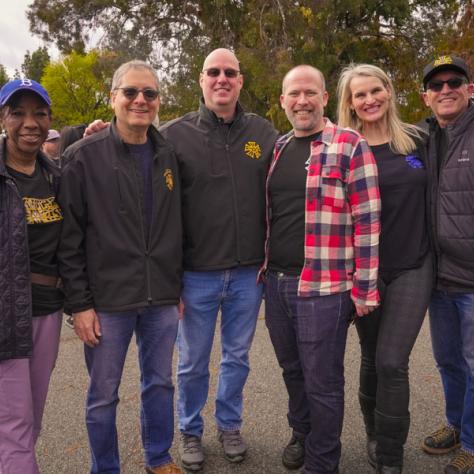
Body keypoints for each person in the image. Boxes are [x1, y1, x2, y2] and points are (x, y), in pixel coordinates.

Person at [57, 60, 183, 474]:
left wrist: (175, 286)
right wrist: (79, 305)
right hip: (106, 302)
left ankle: (159, 457)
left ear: (158, 101)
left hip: (160, 297)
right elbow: (69, 240)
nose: (140, 101)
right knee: (103, 394)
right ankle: (105, 468)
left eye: (149, 93)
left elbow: (176, 225)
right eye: (130, 92)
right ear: (113, 98)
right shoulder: (82, 157)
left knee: (160, 384)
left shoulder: (168, 154)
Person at [159, 48, 278, 471]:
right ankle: (190, 430)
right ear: (201, 78)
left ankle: (229, 424)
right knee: (191, 362)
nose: (222, 78)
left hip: (249, 274)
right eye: (214, 72)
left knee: (237, 358)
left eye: (230, 72)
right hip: (196, 275)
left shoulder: (264, 133)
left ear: (241, 81)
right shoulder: (172, 135)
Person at [259, 65, 381, 474]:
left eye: (310, 92)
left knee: (323, 381)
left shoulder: (349, 144)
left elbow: (368, 220)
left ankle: (323, 461)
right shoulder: (278, 149)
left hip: (325, 288)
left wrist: (364, 289)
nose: (302, 101)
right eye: (294, 94)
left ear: (325, 98)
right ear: (283, 101)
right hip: (275, 284)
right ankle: (303, 433)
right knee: (292, 371)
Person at [337, 64, 433, 473]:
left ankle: (391, 457)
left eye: (376, 90)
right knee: (372, 357)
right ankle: (374, 434)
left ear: (389, 91)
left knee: (393, 361)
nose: (369, 99)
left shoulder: (418, 141)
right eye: (360, 95)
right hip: (366, 271)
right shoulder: (344, 149)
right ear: (350, 104)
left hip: (414, 264)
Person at [0, 79, 64, 473]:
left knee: (32, 415)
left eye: (39, 113)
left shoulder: (56, 176)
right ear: (3, 118)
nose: (29, 122)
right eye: (17, 112)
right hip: (5, 314)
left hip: (47, 312)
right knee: (15, 422)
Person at [419, 55, 474, 474]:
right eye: (437, 85)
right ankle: (455, 424)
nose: (446, 90)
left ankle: (472, 443)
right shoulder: (423, 140)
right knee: (449, 361)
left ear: (469, 89)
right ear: (427, 96)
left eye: (454, 81)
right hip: (439, 279)